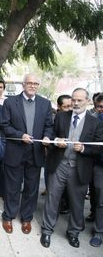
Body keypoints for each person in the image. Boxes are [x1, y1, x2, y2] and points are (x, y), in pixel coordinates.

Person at [40, 88, 103, 248]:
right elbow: (52, 135)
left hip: (80, 169)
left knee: (77, 203)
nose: (75, 103)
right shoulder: (61, 116)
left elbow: (98, 147)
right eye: (74, 99)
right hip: (59, 165)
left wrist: (83, 149)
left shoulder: (95, 122)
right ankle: (47, 231)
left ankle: (73, 232)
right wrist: (56, 141)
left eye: (79, 100)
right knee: (52, 199)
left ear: (87, 101)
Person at [0, 73, 53, 234]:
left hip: (35, 153)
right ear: (23, 85)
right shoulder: (10, 102)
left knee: (31, 188)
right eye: (29, 83)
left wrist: (46, 137)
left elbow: (49, 126)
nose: (33, 86)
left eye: (36, 83)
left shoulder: (45, 103)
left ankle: (26, 219)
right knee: (12, 187)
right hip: (15, 151)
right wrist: (19, 135)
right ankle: (8, 216)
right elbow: (4, 125)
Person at [88, 92, 103, 247]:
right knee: (100, 199)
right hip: (99, 164)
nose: (100, 110)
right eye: (98, 107)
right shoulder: (94, 121)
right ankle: (99, 232)